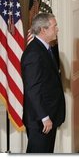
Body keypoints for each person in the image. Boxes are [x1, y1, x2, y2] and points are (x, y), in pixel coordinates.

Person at [21, 13, 65, 153]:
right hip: (40, 120)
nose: (57, 29)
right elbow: (32, 89)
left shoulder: (45, 49)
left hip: (49, 115)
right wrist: (44, 117)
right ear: (43, 30)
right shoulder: (34, 53)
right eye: (54, 26)